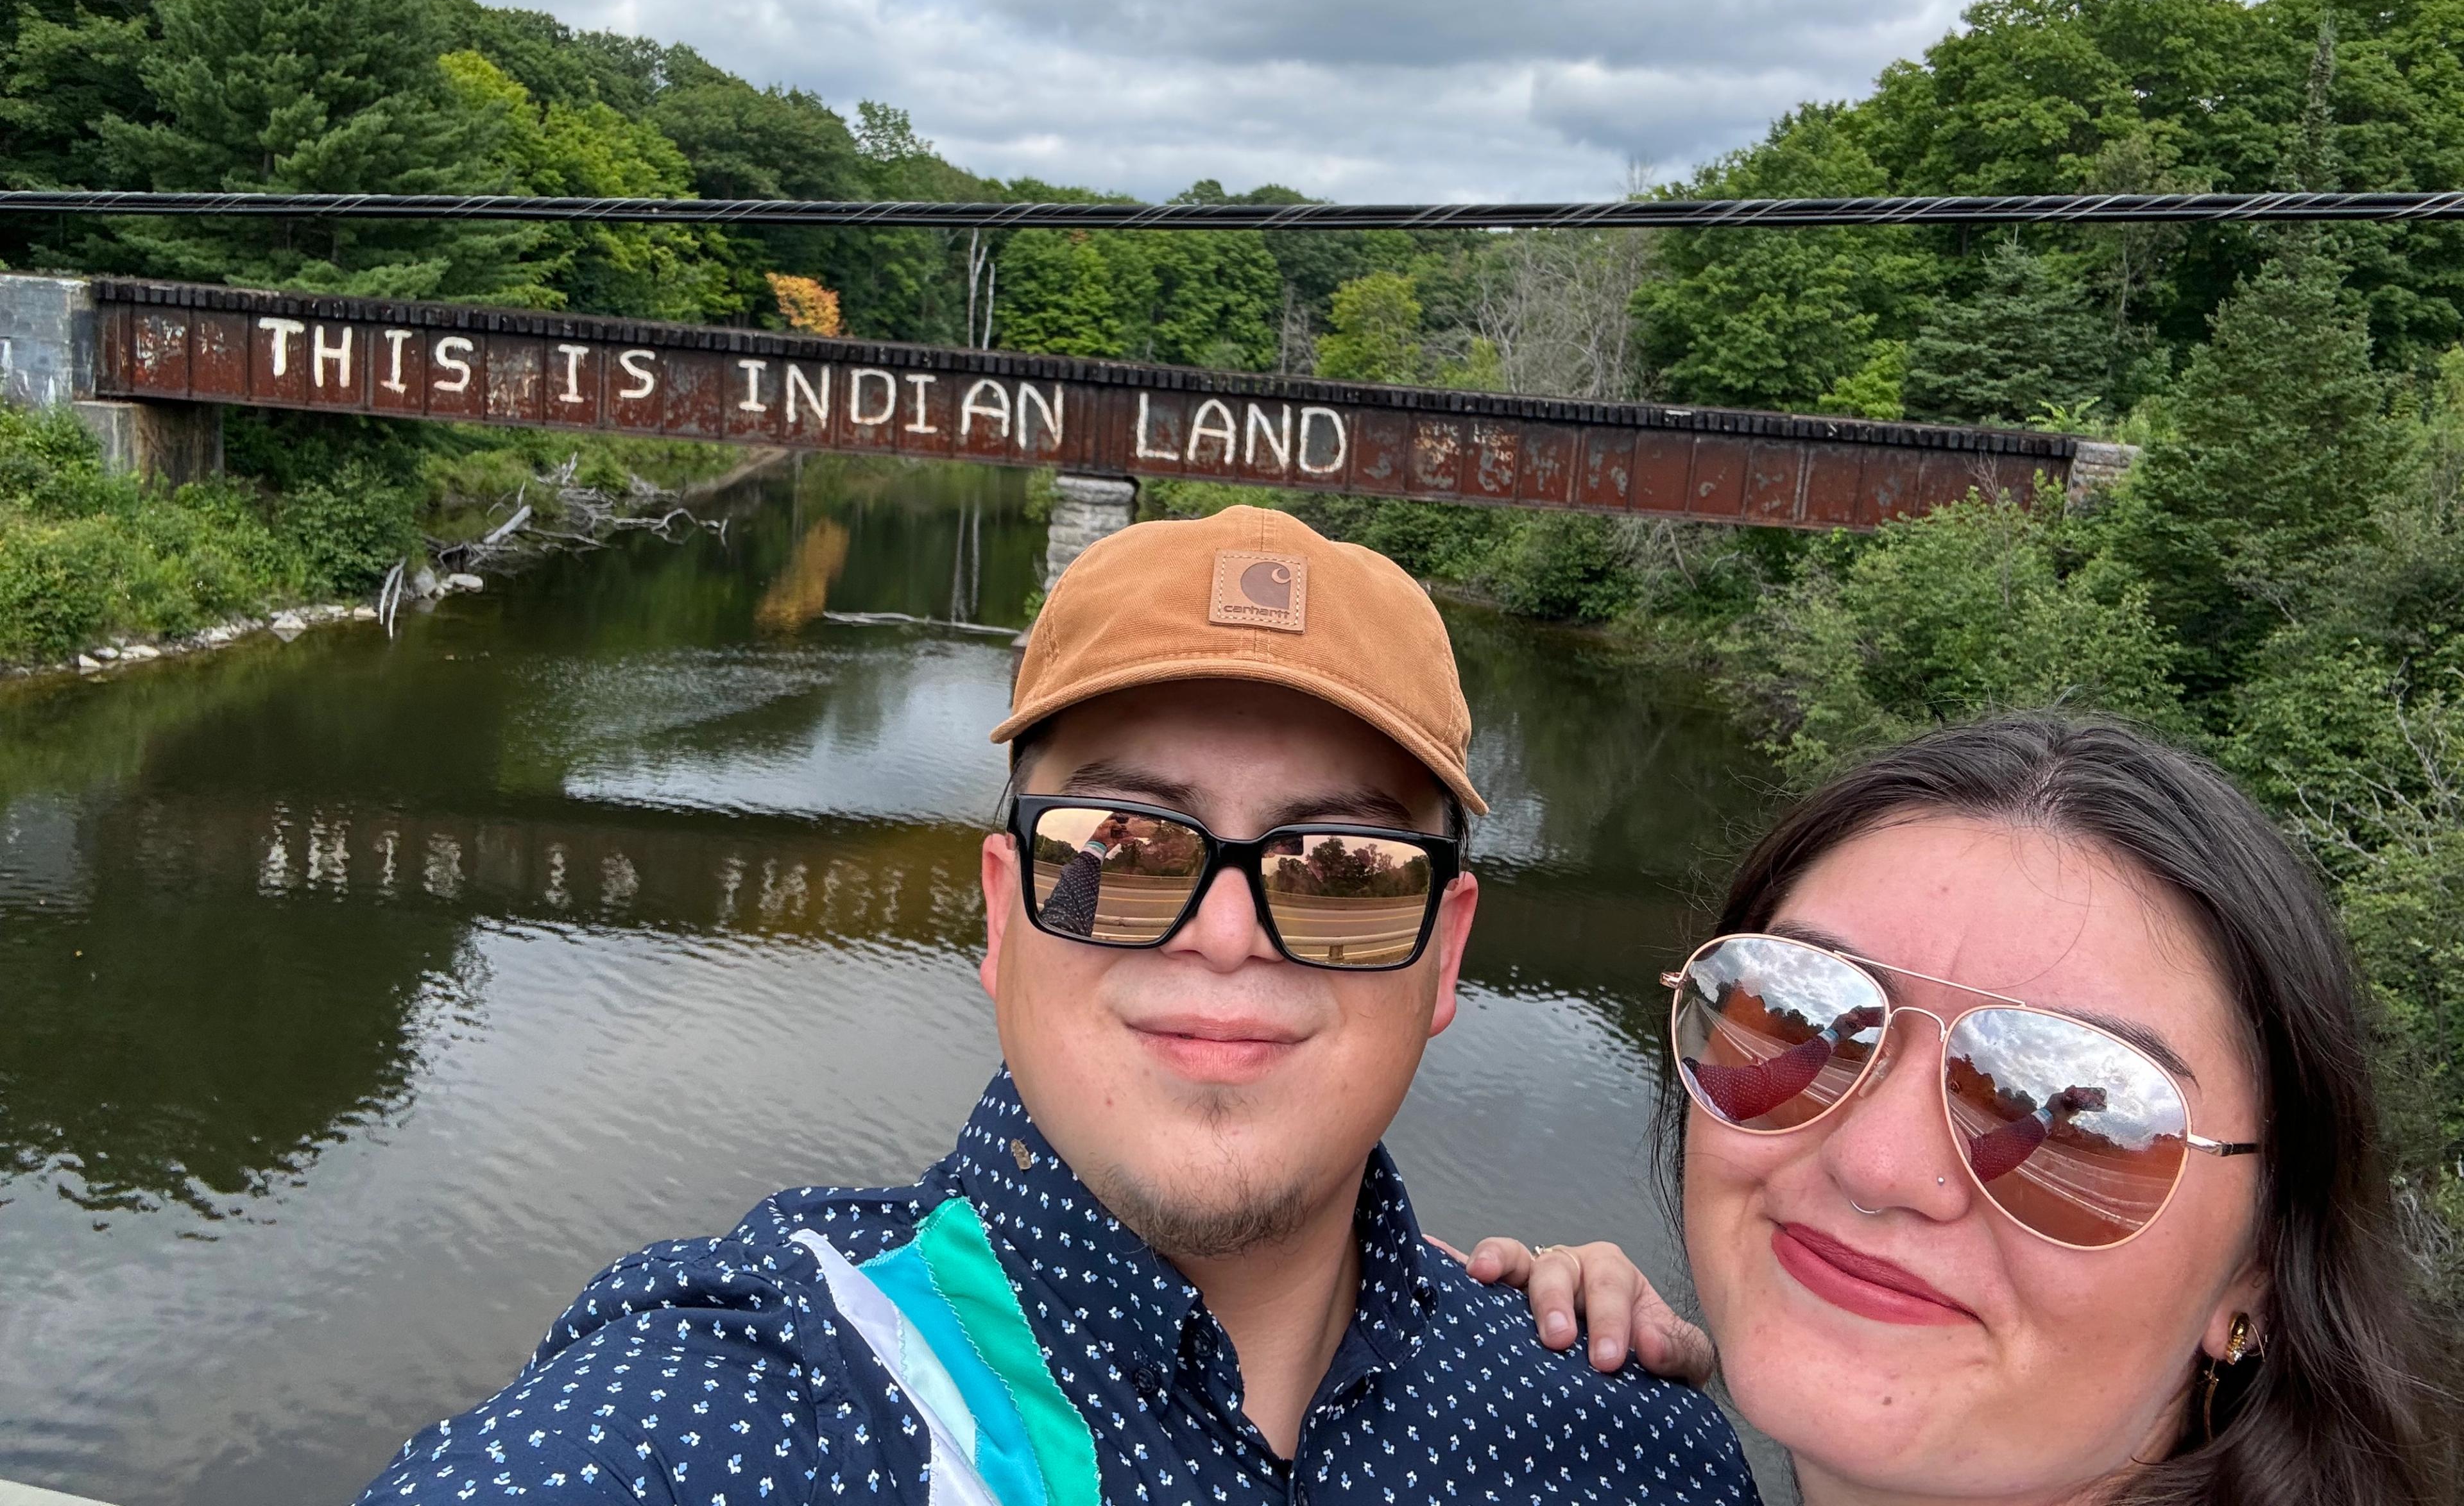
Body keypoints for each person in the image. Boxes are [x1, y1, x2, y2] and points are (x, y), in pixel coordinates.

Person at [357, 504, 1758, 1506]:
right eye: (1121, 849)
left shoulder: (1628, 1450)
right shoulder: (750, 1395)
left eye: (1343, 868)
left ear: (1445, 953)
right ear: (998, 913)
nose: (1223, 938)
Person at [1469, 714, 2451, 1506]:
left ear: (2262, 1272)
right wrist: (1581, 1399)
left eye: (2086, 1119)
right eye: (1805, 1005)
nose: (1877, 1163)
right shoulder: (1607, 1440)